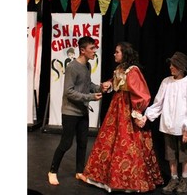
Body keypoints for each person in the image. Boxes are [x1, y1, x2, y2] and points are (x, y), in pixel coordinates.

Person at [82, 42, 164, 193]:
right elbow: (117, 83)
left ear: (124, 54)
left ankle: (130, 181)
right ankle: (105, 178)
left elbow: (142, 93)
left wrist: (137, 112)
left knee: (128, 141)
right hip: (116, 106)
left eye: (117, 52)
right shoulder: (119, 69)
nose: (114, 54)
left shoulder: (133, 71)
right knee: (110, 140)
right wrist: (109, 84)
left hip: (126, 107)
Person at [48, 36, 105, 185]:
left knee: (83, 142)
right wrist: (90, 97)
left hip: (82, 111)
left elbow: (87, 84)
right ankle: (52, 171)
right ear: (82, 50)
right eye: (92, 48)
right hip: (70, 112)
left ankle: (79, 172)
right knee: (66, 143)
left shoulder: (86, 66)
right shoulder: (72, 67)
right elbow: (69, 91)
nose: (94, 51)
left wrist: (99, 88)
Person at [142, 51, 187, 195]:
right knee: (171, 154)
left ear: (181, 68)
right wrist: (147, 116)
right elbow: (158, 103)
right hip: (168, 124)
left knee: (184, 154)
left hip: (182, 127)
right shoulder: (166, 81)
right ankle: (174, 178)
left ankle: (184, 179)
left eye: (173, 65)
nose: (170, 68)